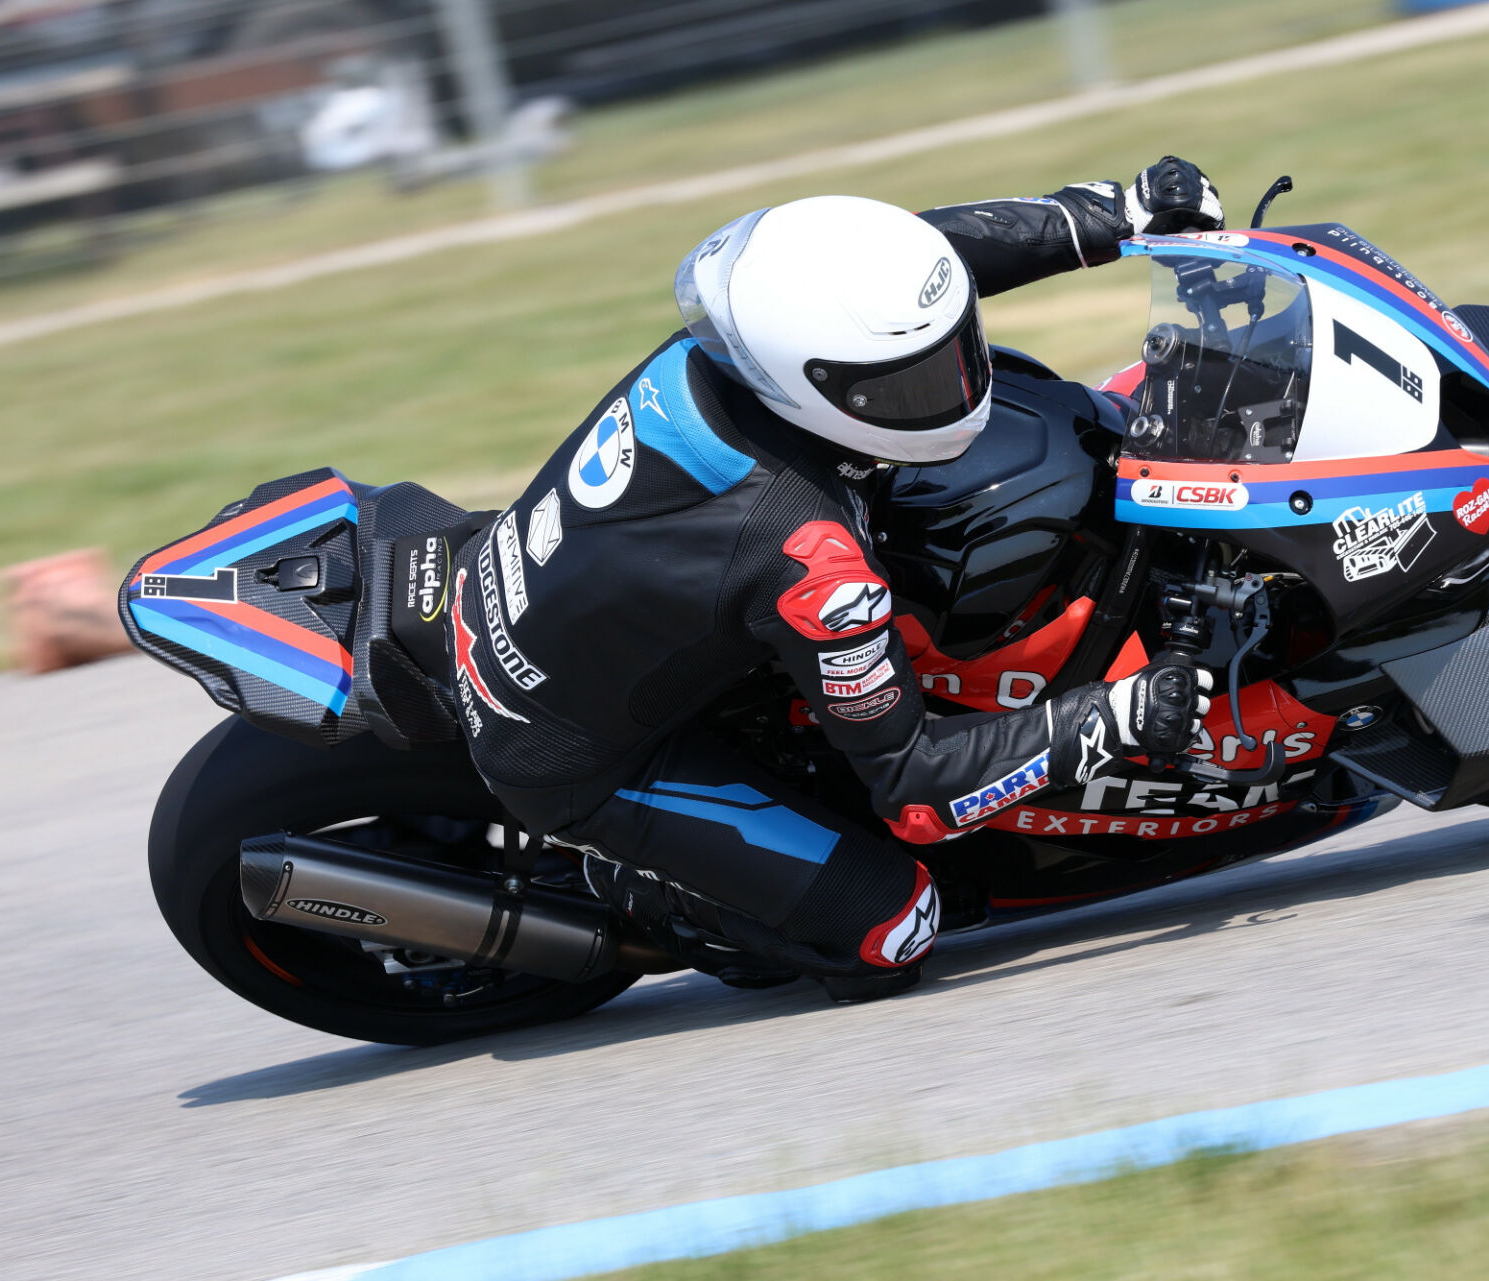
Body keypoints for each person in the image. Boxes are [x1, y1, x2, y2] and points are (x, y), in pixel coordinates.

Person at [433, 158, 1226, 1001]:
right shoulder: (809, 552)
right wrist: (1112, 716)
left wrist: (1113, 213)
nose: (958, 381)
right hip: (568, 752)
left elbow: (931, 263)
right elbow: (917, 786)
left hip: (540, 600)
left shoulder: (738, 344)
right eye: (920, 380)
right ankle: (632, 883)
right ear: (816, 388)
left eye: (957, 352)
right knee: (897, 927)